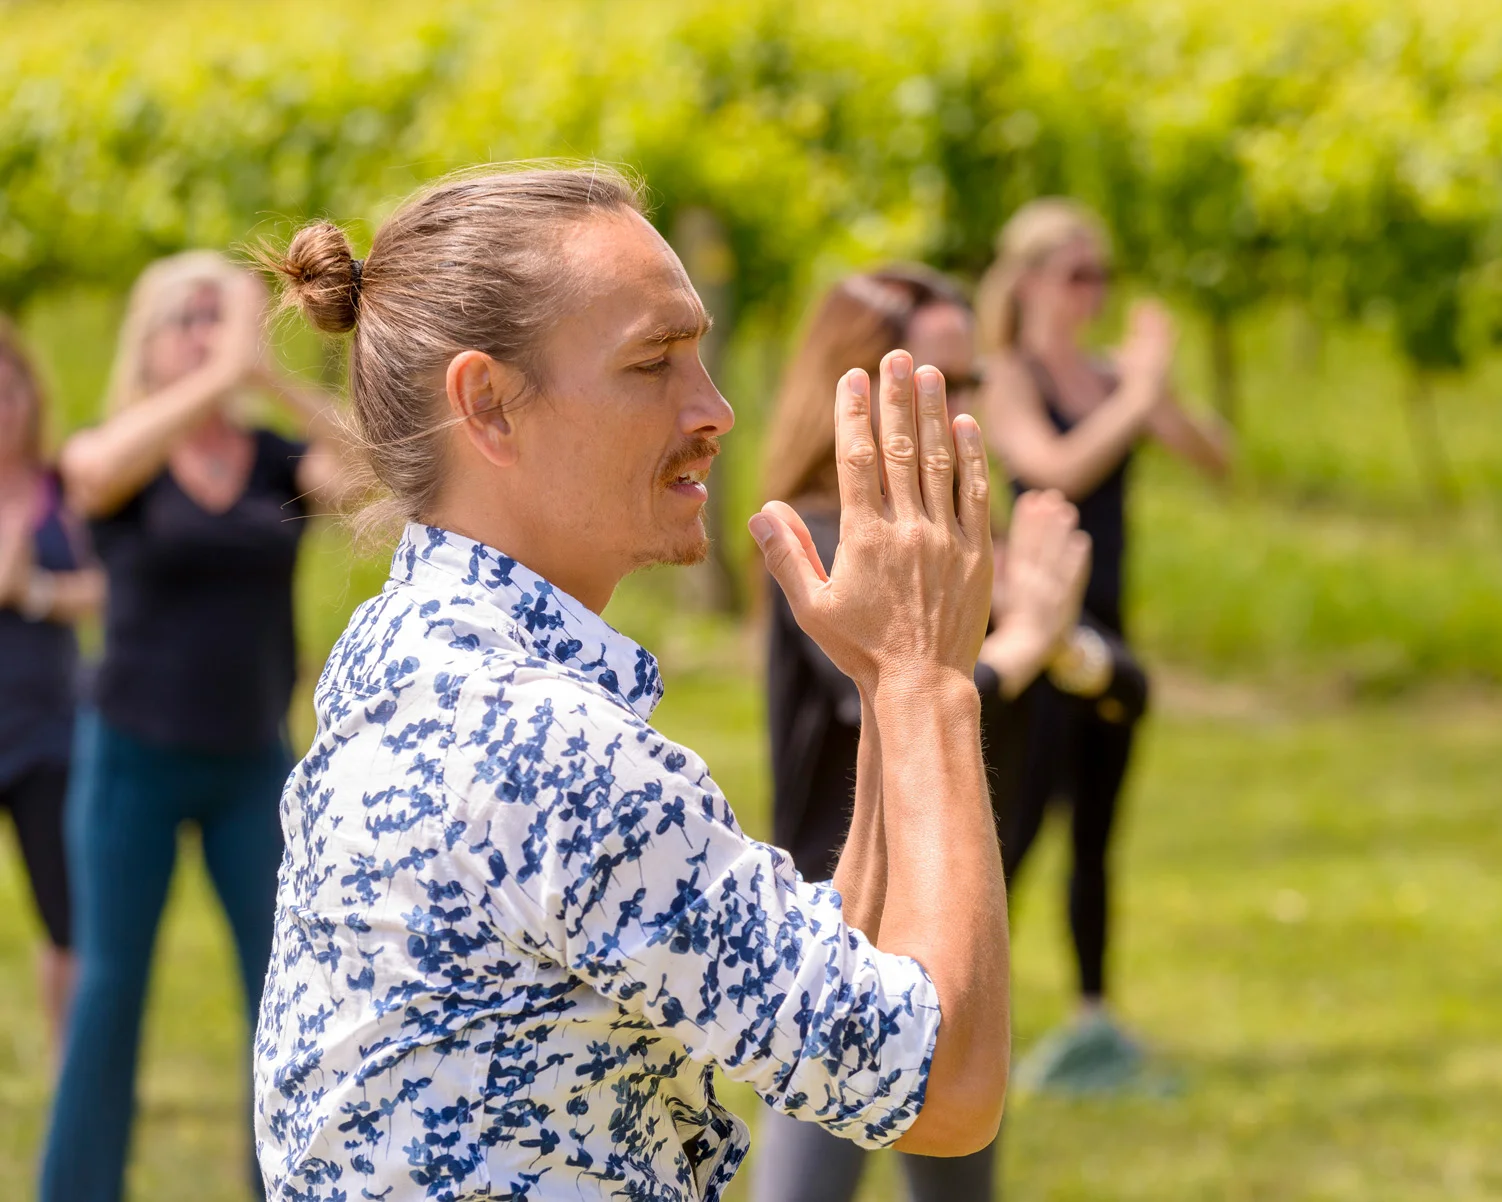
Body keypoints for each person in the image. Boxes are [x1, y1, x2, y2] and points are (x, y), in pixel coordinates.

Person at [252, 165, 1010, 1202]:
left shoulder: (404, 660)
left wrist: (886, 682)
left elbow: (829, 1010)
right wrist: (931, 681)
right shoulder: (545, 748)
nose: (716, 410)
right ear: (488, 405)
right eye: (654, 361)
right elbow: (945, 1091)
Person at [751, 266, 1147, 1202]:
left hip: (955, 922)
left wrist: (1062, 645)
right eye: (940, 382)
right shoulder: (819, 536)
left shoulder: (959, 547)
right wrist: (1025, 644)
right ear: (862, 389)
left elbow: (1126, 688)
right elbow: (883, 697)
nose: (966, 405)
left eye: (973, 379)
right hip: (846, 932)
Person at [40, 252, 350, 1202]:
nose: (212, 336)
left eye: (226, 318)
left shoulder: (276, 461)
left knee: (286, 992)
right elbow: (89, 476)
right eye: (192, 318)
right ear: (150, 339)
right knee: (108, 993)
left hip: (252, 762)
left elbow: (378, 470)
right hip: (131, 758)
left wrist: (269, 380)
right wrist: (222, 377)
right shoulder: (121, 453)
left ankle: (284, 1185)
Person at [975, 198, 1232, 1091]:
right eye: (1077, 274)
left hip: (1110, 635)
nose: (1093, 292)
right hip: (1038, 629)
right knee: (1014, 831)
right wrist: (1136, 398)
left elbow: (1216, 456)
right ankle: (962, 1010)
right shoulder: (1005, 376)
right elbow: (1054, 467)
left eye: (1103, 276)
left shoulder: (1115, 380)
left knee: (1096, 832)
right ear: (1030, 280)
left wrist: (1154, 393)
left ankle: (1092, 1017)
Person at [0, 319, 104, 1057]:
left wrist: (33, 590)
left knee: (65, 913)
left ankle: (72, 1069)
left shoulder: (61, 487)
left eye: (10, 393)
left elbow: (108, 585)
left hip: (47, 731)